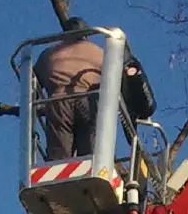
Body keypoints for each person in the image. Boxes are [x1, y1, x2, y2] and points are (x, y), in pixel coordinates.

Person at [34, 19, 157, 162]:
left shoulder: (49, 54)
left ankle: (58, 169)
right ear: (86, 34)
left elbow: (34, 84)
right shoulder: (100, 53)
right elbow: (116, 81)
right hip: (89, 102)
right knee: (90, 153)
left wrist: (36, 106)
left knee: (59, 154)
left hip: (58, 104)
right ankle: (90, 166)